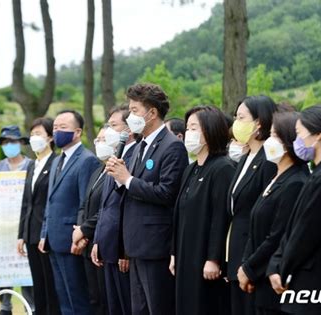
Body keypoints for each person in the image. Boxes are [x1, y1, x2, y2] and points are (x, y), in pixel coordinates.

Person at [105, 83, 189, 315]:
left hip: (156, 244)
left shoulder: (172, 147)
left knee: (157, 307)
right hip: (135, 243)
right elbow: (128, 188)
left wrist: (128, 179)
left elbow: (167, 193)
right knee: (139, 309)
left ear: (152, 113)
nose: (131, 117)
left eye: (134, 111)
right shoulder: (140, 146)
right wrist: (118, 178)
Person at [267, 105, 321, 315]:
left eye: (299, 134)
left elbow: (305, 232)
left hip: (313, 281)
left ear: (318, 135)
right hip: (304, 278)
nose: (297, 140)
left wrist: (282, 268)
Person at [237, 112, 309, 315]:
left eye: (275, 135)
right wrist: (245, 266)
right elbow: (255, 227)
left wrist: (249, 269)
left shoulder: (296, 182)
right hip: (257, 279)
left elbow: (277, 236)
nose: (270, 140)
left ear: (288, 142)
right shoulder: (276, 177)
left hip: (273, 279)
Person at [170, 105, 235, 315]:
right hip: (184, 254)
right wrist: (173, 253)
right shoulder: (191, 168)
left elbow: (220, 217)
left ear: (210, 130)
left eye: (194, 128)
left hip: (205, 257)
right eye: (188, 128)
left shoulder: (223, 167)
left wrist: (214, 258)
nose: (189, 133)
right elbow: (179, 213)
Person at [38, 110, 101, 315]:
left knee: (78, 298)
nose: (57, 131)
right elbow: (51, 201)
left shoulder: (86, 160)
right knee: (63, 296)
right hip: (54, 240)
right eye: (55, 128)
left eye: (63, 128)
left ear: (77, 132)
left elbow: (86, 202)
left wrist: (82, 235)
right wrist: (44, 233)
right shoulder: (57, 160)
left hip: (73, 240)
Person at [227, 95, 277, 315]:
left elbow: (265, 214)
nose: (236, 123)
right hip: (236, 250)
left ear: (259, 122)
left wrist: (251, 265)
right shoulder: (247, 157)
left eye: (241, 117)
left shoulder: (268, 159)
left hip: (253, 255)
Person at [92, 106, 137, 315]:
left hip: (123, 250)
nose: (109, 131)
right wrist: (98, 240)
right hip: (107, 246)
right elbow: (106, 205)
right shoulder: (115, 156)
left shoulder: (134, 156)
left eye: (114, 125)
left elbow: (128, 206)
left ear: (128, 129)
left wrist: (125, 250)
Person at [17, 118, 60, 315]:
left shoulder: (57, 163)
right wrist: (21, 234)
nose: (34, 138)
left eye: (39, 134)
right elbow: (27, 202)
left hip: (49, 235)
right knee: (38, 285)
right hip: (32, 234)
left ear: (50, 137)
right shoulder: (31, 166)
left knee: (51, 284)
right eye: (32, 134)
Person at [0, 125, 34, 315]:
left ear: (21, 143)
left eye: (13, 141)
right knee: (3, 269)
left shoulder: (31, 165)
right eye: (5, 142)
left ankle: (31, 307)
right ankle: (5, 306)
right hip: (2, 228)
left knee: (28, 271)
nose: (9, 145)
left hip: (25, 227)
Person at [72, 127, 112, 315]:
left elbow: (107, 208)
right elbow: (84, 204)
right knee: (94, 298)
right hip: (87, 245)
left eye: (104, 139)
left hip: (102, 243)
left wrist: (84, 233)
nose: (99, 143)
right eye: (97, 140)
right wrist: (80, 229)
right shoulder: (98, 171)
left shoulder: (115, 172)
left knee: (106, 300)